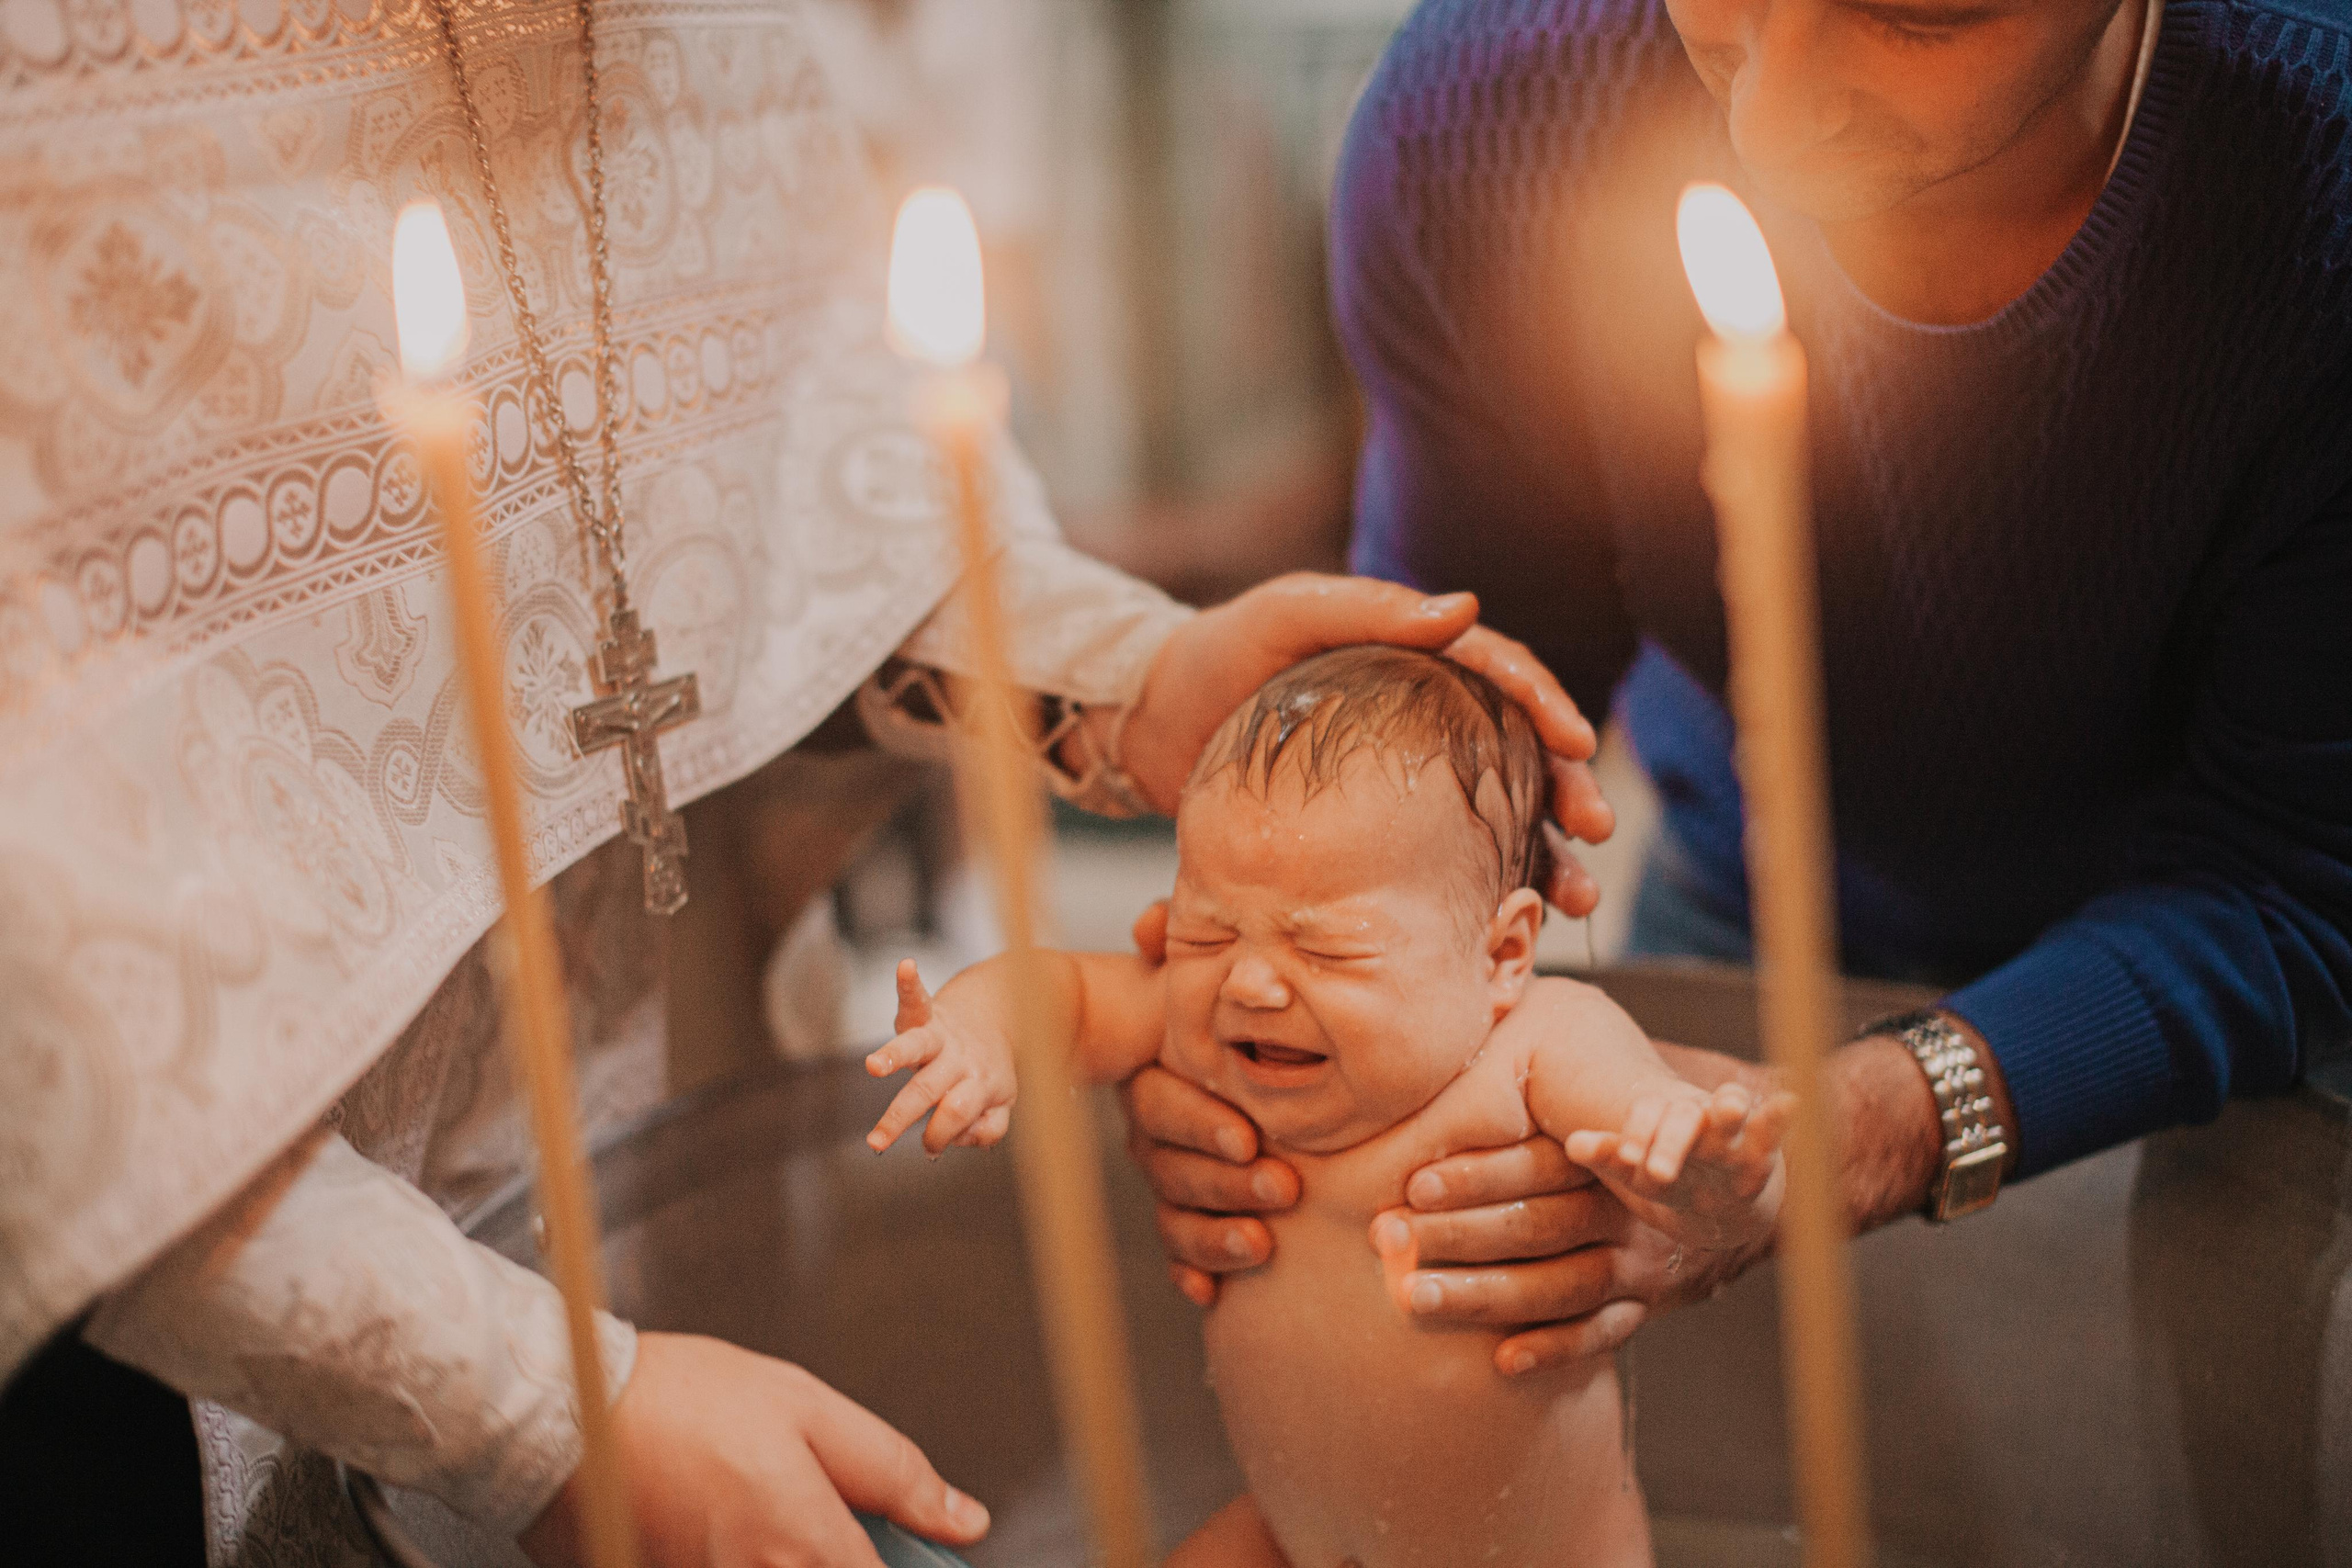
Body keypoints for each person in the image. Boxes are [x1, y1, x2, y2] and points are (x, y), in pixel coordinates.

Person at [0, 4, 1615, 1564]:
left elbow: (806, 528)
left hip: (648, 1107)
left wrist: (1124, 687)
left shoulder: (685, 33)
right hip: (113, 1339)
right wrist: (539, 1406)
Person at [1125, 0, 2352, 1377]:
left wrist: (1888, 1119)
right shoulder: (1489, 112)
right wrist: (1279, 985)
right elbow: (1474, 718)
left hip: (2273, 974)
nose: (1765, 123)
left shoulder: (2317, 159)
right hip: (1740, 903)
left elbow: (2296, 870)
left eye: (1920, 16)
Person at [865, 647, 1787, 1568]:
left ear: (1503, 954)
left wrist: (1706, 1174)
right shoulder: (1193, 1009)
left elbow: (1668, 1147)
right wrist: (979, 1035)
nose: (1250, 981)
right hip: (1292, 1535)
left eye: (1331, 951)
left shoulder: (1539, 1044)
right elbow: (1060, 997)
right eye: (1207, 925)